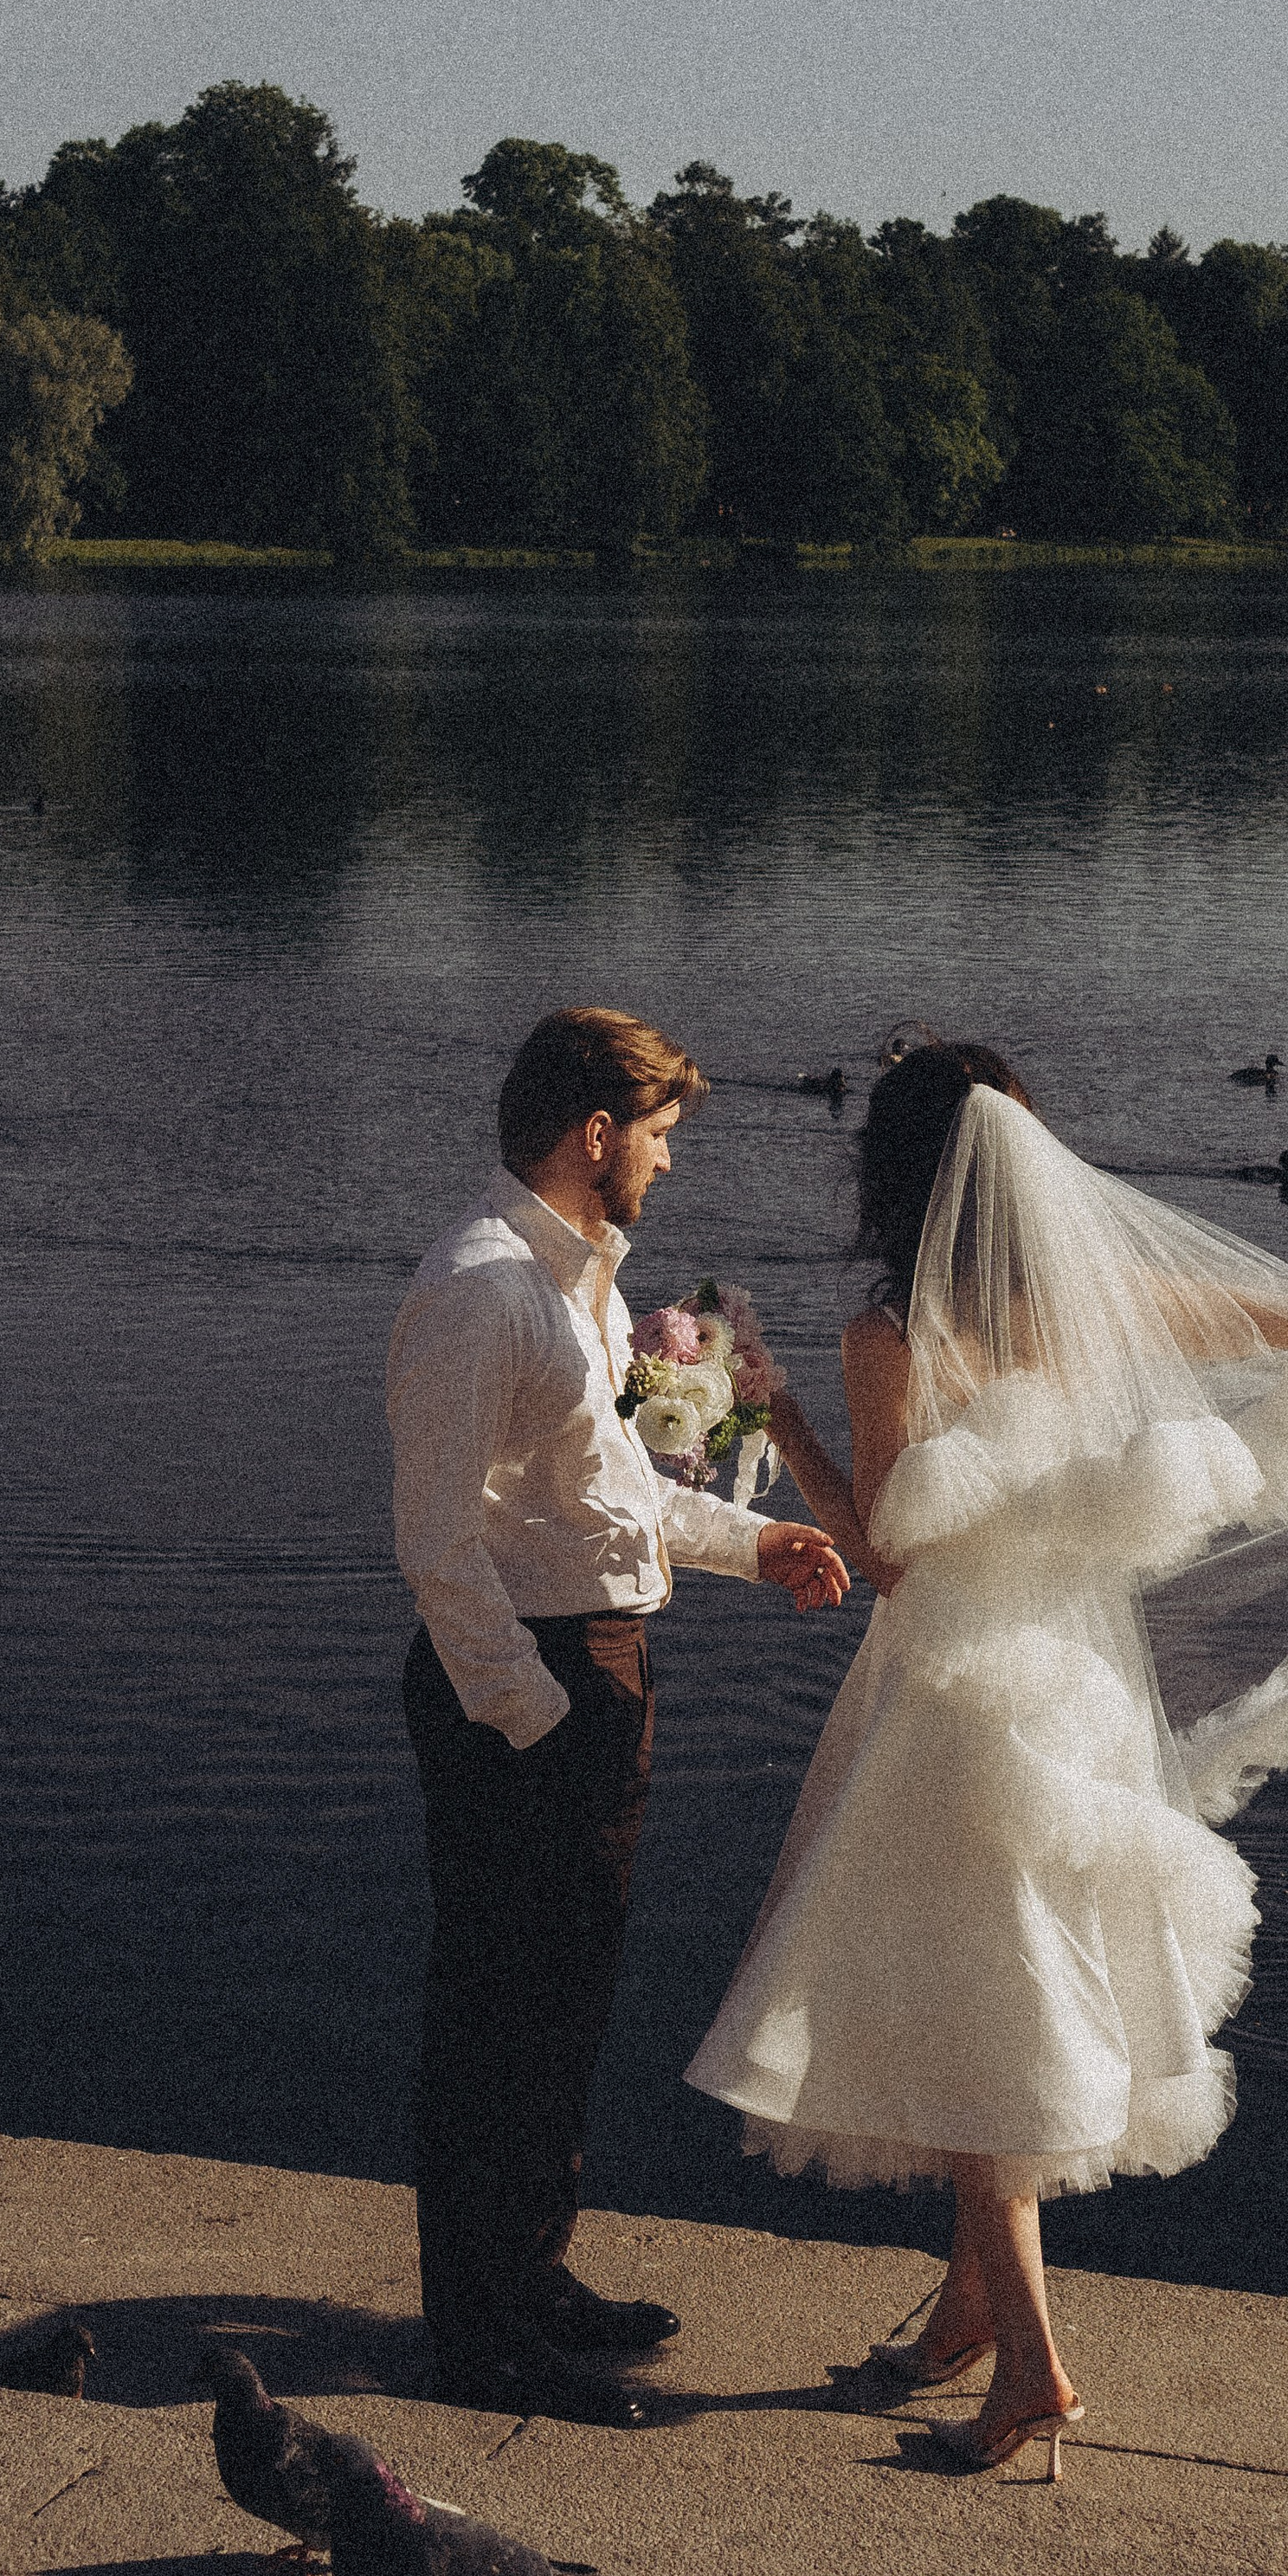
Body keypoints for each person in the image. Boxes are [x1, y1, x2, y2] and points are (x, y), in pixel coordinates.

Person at [687, 1041, 1288, 2479]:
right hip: (1082, 1681)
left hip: (963, 1695)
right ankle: (968, 2307)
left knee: (987, 2006)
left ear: (890, 1183)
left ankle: (1030, 2370)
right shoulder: (1097, 1309)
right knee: (997, 1977)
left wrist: (771, 1415)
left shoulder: (889, 1337)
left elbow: (890, 1558)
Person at [390, 1006, 850, 2427]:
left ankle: (533, 2279)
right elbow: (435, 1544)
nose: (666, 1162)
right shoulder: (484, 1288)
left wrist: (745, 1542)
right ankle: (477, 2339)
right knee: (498, 2016)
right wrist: (536, 1721)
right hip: (523, 1686)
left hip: (591, 1664)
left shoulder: (575, 1282)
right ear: (597, 1135)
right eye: (656, 1137)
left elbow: (601, 1497)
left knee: (563, 2004)